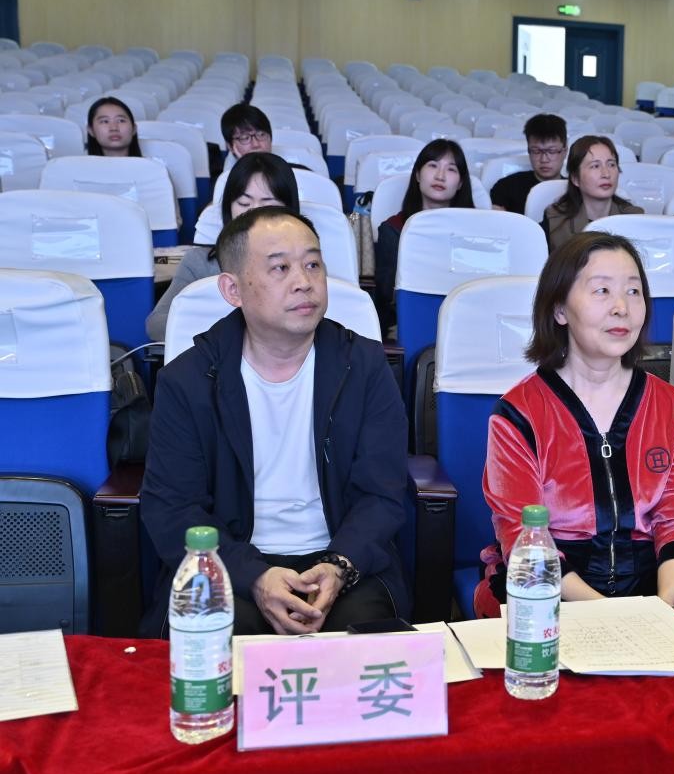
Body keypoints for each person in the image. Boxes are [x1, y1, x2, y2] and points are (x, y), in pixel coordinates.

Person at [140, 206, 410, 636]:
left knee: (359, 642)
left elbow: (384, 493)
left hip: (342, 560)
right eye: (280, 268)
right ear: (233, 289)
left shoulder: (364, 367)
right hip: (231, 562)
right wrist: (254, 576)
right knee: (222, 639)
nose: (304, 281)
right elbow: (174, 508)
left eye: (313, 264)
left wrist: (339, 565)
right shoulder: (187, 381)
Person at [482, 231, 674, 615]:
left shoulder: (669, 404)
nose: (622, 307)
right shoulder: (519, 413)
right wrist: (608, 615)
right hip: (550, 589)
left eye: (633, 291)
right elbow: (522, 535)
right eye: (602, 291)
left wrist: (663, 605)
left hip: (652, 588)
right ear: (559, 310)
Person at [146, 152, 300, 340]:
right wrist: (227, 332)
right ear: (229, 208)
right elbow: (156, 324)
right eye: (244, 203)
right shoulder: (199, 262)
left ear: (289, 210)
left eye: (267, 204)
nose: (254, 213)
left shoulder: (307, 263)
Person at [373, 138, 475, 330]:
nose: (440, 176)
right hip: (409, 321)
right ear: (418, 175)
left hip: (466, 322)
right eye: (433, 165)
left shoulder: (475, 232)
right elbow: (387, 294)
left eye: (451, 169)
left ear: (461, 183)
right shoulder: (394, 229)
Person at [541, 135, 643, 252]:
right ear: (575, 178)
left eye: (611, 164)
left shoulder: (635, 218)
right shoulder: (555, 221)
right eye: (595, 166)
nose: (606, 174)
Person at [490, 113, 567, 214]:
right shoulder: (506, 187)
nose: (544, 159)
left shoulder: (574, 190)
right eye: (536, 151)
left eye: (552, 151)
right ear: (528, 151)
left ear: (565, 151)